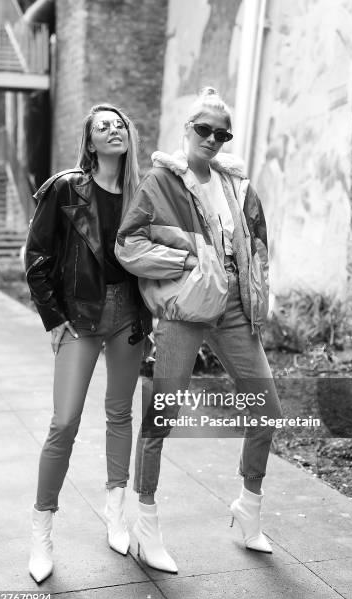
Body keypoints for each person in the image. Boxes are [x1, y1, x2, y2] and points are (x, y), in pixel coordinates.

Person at [115, 87, 282, 573]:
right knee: (162, 416)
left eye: (221, 133)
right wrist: (187, 262)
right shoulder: (160, 183)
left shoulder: (238, 186)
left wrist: (256, 299)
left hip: (232, 307)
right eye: (204, 129)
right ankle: (146, 522)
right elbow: (129, 244)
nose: (212, 139)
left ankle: (248, 507)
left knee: (266, 410)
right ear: (187, 128)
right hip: (186, 307)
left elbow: (257, 247)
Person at [25, 103, 150, 583]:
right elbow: (37, 256)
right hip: (79, 317)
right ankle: (41, 531)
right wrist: (53, 318)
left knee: (121, 414)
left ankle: (115, 514)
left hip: (127, 318)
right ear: (90, 141)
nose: (114, 129)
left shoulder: (143, 192)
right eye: (104, 126)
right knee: (64, 423)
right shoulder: (65, 188)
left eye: (120, 124)